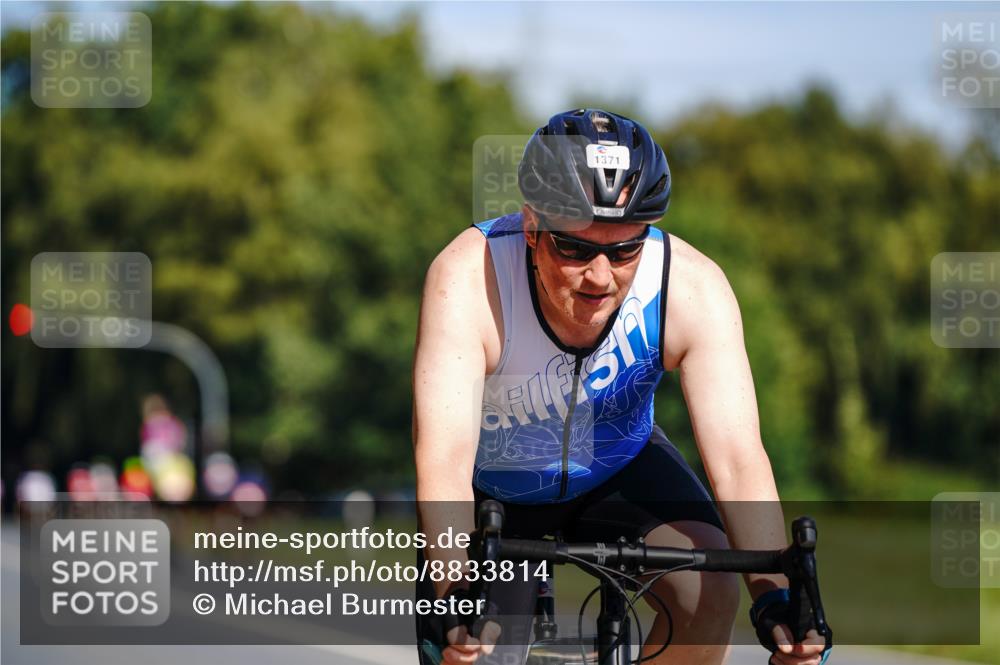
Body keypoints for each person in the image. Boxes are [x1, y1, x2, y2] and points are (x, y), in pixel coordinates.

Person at [412, 109, 829, 665]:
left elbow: (737, 459)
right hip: (494, 487)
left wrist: (776, 598)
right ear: (532, 227)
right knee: (473, 650)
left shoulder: (690, 286)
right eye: (575, 249)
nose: (601, 275)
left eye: (625, 249)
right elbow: (443, 458)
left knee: (710, 594)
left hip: (619, 464)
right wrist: (454, 587)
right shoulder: (469, 276)